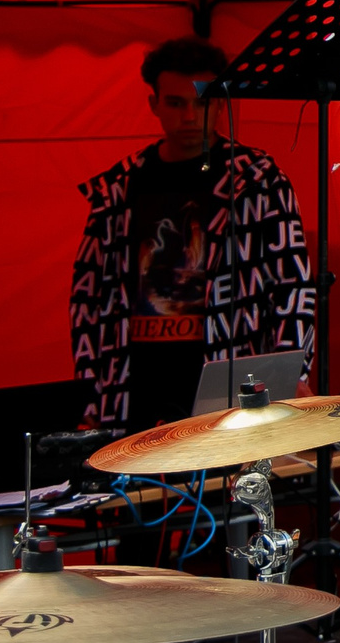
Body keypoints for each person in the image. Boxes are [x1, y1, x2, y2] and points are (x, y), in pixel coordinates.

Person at [69, 36, 314, 431]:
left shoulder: (256, 180)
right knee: (139, 487)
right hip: (135, 380)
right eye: (176, 103)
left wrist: (292, 372)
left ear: (220, 104)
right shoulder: (120, 187)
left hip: (228, 372)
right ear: (154, 105)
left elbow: (292, 284)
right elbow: (89, 297)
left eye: (202, 102)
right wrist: (91, 388)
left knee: (223, 483)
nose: (189, 116)